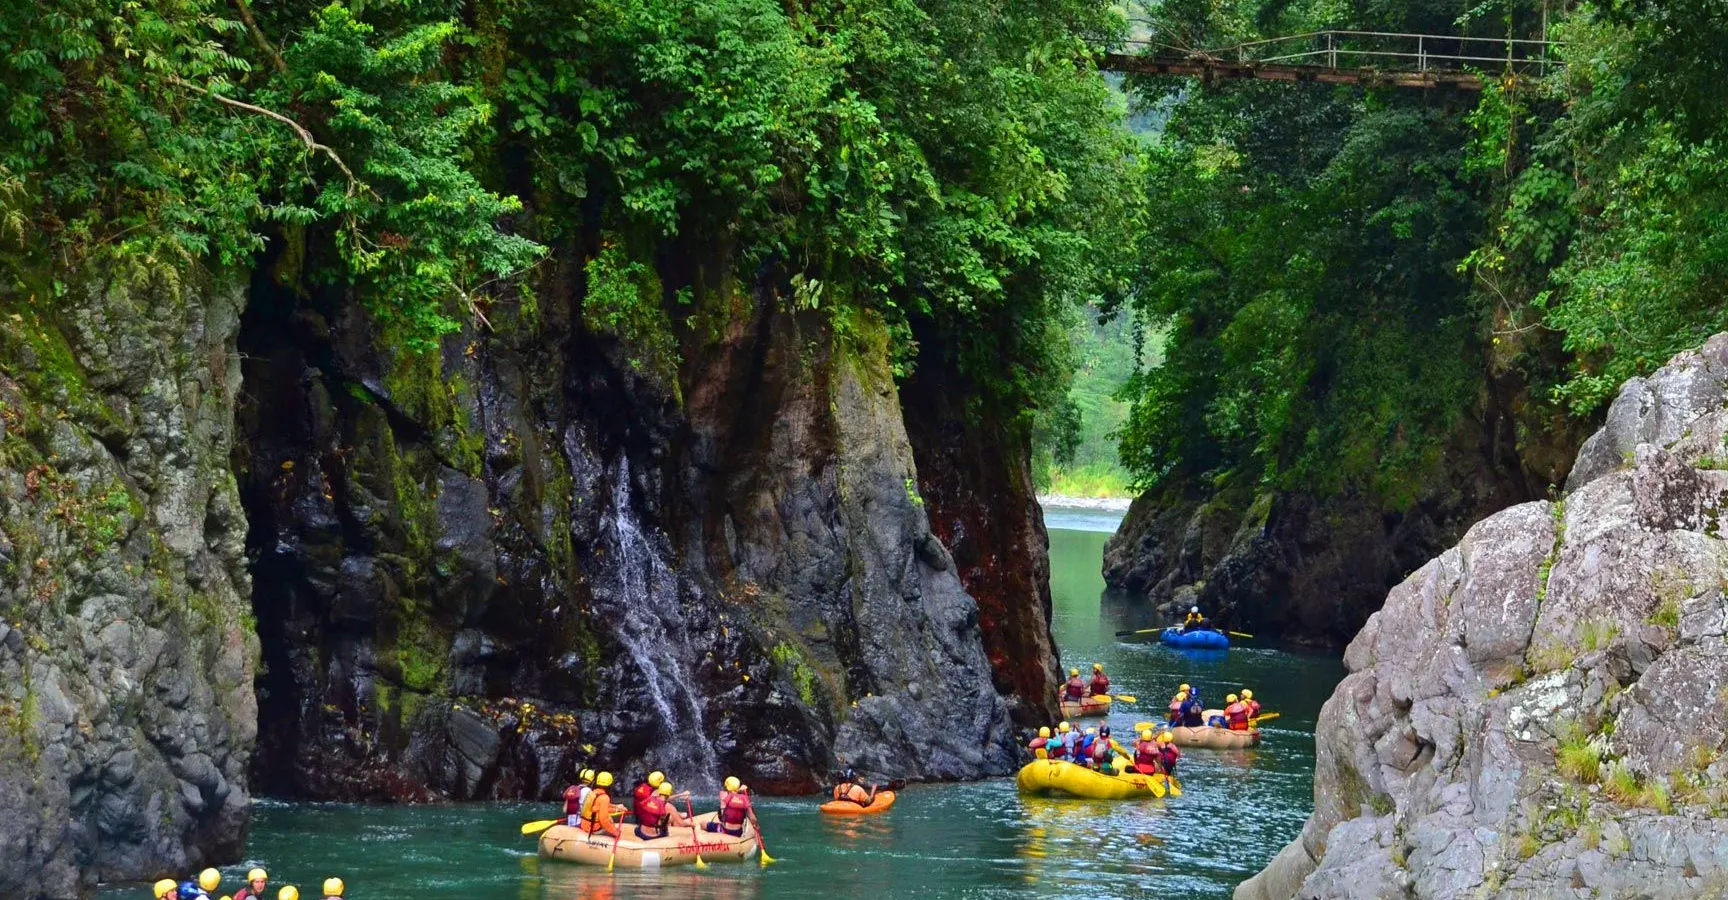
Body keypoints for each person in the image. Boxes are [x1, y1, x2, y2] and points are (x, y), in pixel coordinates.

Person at [582, 771, 621, 837]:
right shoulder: (604, 798)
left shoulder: (593, 793)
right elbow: (604, 819)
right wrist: (614, 831)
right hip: (593, 829)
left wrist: (617, 808)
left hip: (584, 825)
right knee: (611, 821)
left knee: (609, 818)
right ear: (609, 785)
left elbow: (600, 807)